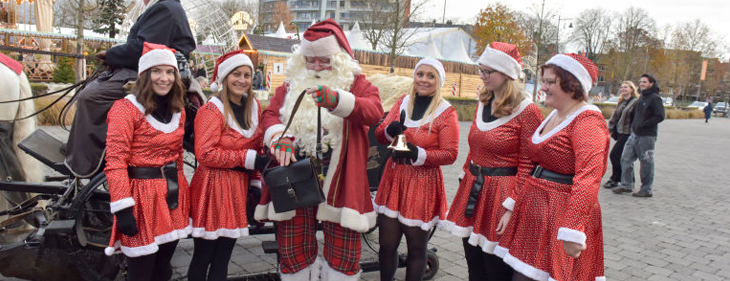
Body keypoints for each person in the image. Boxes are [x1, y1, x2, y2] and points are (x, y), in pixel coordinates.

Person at [255, 19, 383, 281]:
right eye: (309, 60)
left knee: (344, 247)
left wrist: (338, 100)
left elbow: (374, 111)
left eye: (323, 60)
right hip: (295, 172)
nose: (315, 67)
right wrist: (280, 137)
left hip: (340, 176)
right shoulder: (290, 85)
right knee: (292, 246)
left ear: (338, 59)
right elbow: (269, 114)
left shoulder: (355, 82)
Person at [494, 54, 609, 281]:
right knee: (522, 274)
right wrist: (514, 206)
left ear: (572, 84)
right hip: (536, 209)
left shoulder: (587, 121)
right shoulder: (556, 114)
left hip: (561, 213)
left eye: (549, 82)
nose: (543, 87)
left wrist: (572, 230)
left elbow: (589, 177)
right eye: (543, 81)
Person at [439, 42, 542, 281]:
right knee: (474, 266)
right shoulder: (483, 101)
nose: (482, 76)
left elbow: (530, 164)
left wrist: (512, 206)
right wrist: (466, 173)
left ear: (507, 74)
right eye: (481, 70)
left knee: (496, 271)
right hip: (474, 191)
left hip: (501, 197)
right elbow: (474, 148)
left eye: (488, 72)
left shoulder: (527, 110)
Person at [65, 0, 195, 178]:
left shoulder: (165, 8)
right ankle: (81, 149)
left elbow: (141, 49)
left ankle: (89, 160)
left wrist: (110, 55)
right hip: (149, 69)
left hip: (156, 74)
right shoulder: (165, 7)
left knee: (91, 96)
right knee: (91, 88)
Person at [103, 42, 191, 281]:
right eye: (157, 71)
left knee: (163, 269)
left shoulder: (178, 111)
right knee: (141, 272)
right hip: (141, 199)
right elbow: (115, 160)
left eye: (170, 72)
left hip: (172, 197)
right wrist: (122, 207)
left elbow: (179, 157)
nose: (164, 78)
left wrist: (185, 197)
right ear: (144, 75)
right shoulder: (125, 109)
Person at [374, 57, 459, 281]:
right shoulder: (403, 101)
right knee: (386, 244)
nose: (423, 80)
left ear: (439, 80)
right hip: (394, 179)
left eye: (430, 76)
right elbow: (381, 134)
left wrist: (418, 154)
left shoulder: (446, 112)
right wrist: (389, 132)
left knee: (416, 249)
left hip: (422, 183)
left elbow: (451, 154)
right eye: (420, 74)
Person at [187, 51, 269, 281]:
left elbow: (258, 146)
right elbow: (204, 153)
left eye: (246, 75)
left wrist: (254, 179)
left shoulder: (254, 107)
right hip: (211, 188)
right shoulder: (211, 110)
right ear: (224, 77)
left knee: (224, 258)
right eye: (236, 74)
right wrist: (247, 159)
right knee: (203, 256)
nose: (242, 80)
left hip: (236, 188)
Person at [612, 74, 665, 197]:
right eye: (640, 82)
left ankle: (646, 189)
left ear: (651, 83)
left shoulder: (654, 98)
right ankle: (626, 185)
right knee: (625, 158)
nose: (641, 84)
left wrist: (644, 124)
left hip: (647, 136)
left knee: (646, 162)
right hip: (634, 134)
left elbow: (660, 116)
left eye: (645, 82)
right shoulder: (642, 97)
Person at [604, 81, 640, 189]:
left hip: (628, 133)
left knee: (615, 155)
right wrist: (608, 130)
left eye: (626, 87)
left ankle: (615, 178)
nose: (623, 89)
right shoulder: (621, 102)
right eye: (622, 87)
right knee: (624, 157)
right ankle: (628, 180)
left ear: (631, 89)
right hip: (619, 132)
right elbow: (614, 118)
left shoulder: (635, 102)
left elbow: (636, 118)